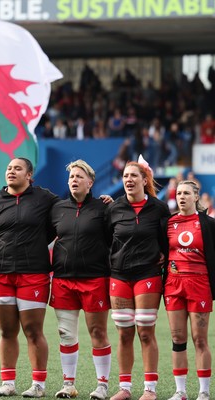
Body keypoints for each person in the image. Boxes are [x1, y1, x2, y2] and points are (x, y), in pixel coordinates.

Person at [0, 157, 59, 398]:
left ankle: (38, 384)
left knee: (33, 330)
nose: (11, 171)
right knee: (6, 331)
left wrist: (99, 202)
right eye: (9, 168)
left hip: (34, 274)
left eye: (17, 168)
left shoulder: (45, 198)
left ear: (29, 175)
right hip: (0, 275)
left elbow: (68, 211)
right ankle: (8, 382)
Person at [105, 156, 170, 400]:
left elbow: (166, 241)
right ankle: (125, 388)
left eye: (134, 175)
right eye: (125, 176)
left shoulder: (159, 208)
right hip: (119, 276)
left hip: (147, 274)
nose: (129, 180)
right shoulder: (113, 209)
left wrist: (163, 253)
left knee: (145, 331)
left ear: (145, 180)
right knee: (123, 333)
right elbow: (104, 240)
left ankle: (150, 390)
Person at [49, 160, 111, 400]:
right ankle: (68, 385)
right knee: (65, 333)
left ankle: (102, 386)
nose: (74, 179)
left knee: (97, 332)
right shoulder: (57, 209)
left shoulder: (104, 209)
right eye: (71, 176)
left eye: (79, 176)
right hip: (63, 280)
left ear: (90, 182)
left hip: (95, 279)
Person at [161, 180, 215, 400]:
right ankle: (180, 391)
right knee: (177, 338)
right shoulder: (167, 223)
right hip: (173, 285)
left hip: (200, 284)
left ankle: (203, 391)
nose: (182, 197)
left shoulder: (208, 224)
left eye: (186, 193)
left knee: (199, 339)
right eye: (179, 193)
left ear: (196, 197)